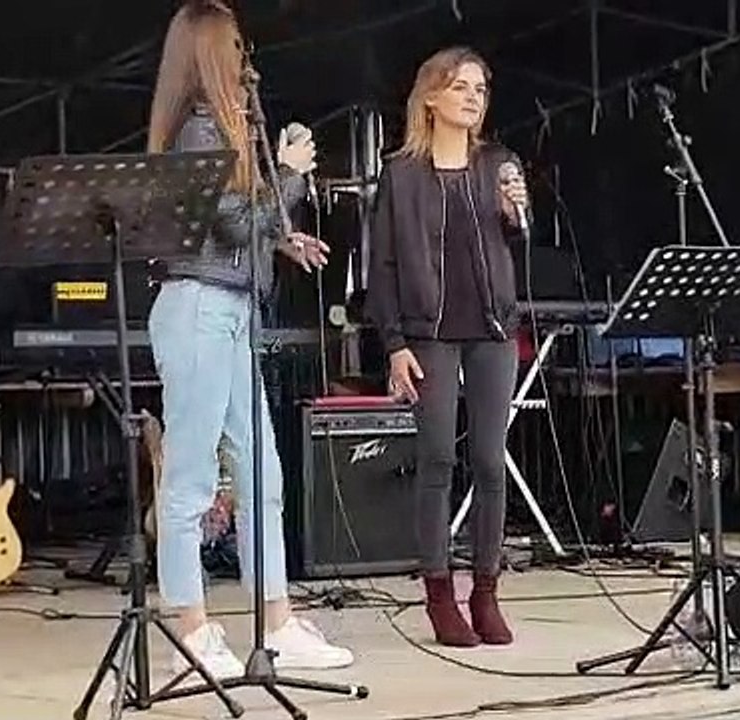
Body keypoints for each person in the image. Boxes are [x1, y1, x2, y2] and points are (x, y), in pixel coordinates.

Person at [145, 0, 352, 676]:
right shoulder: (198, 128)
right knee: (192, 481)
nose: (245, 58)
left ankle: (277, 619)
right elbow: (233, 224)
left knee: (261, 469)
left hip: (228, 308)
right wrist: (288, 172)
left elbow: (236, 225)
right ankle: (191, 631)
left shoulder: (222, 128)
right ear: (208, 52)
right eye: (234, 45)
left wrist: (282, 238)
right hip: (198, 309)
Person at [365, 46, 528, 647]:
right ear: (431, 96)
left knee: (490, 461)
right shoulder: (402, 173)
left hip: (492, 329)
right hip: (429, 334)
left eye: (481, 89)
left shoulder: (498, 164)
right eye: (460, 87)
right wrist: (394, 343)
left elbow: (515, 233)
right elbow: (382, 265)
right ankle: (439, 593)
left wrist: (515, 210)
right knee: (437, 460)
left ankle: (486, 590)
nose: (473, 97)